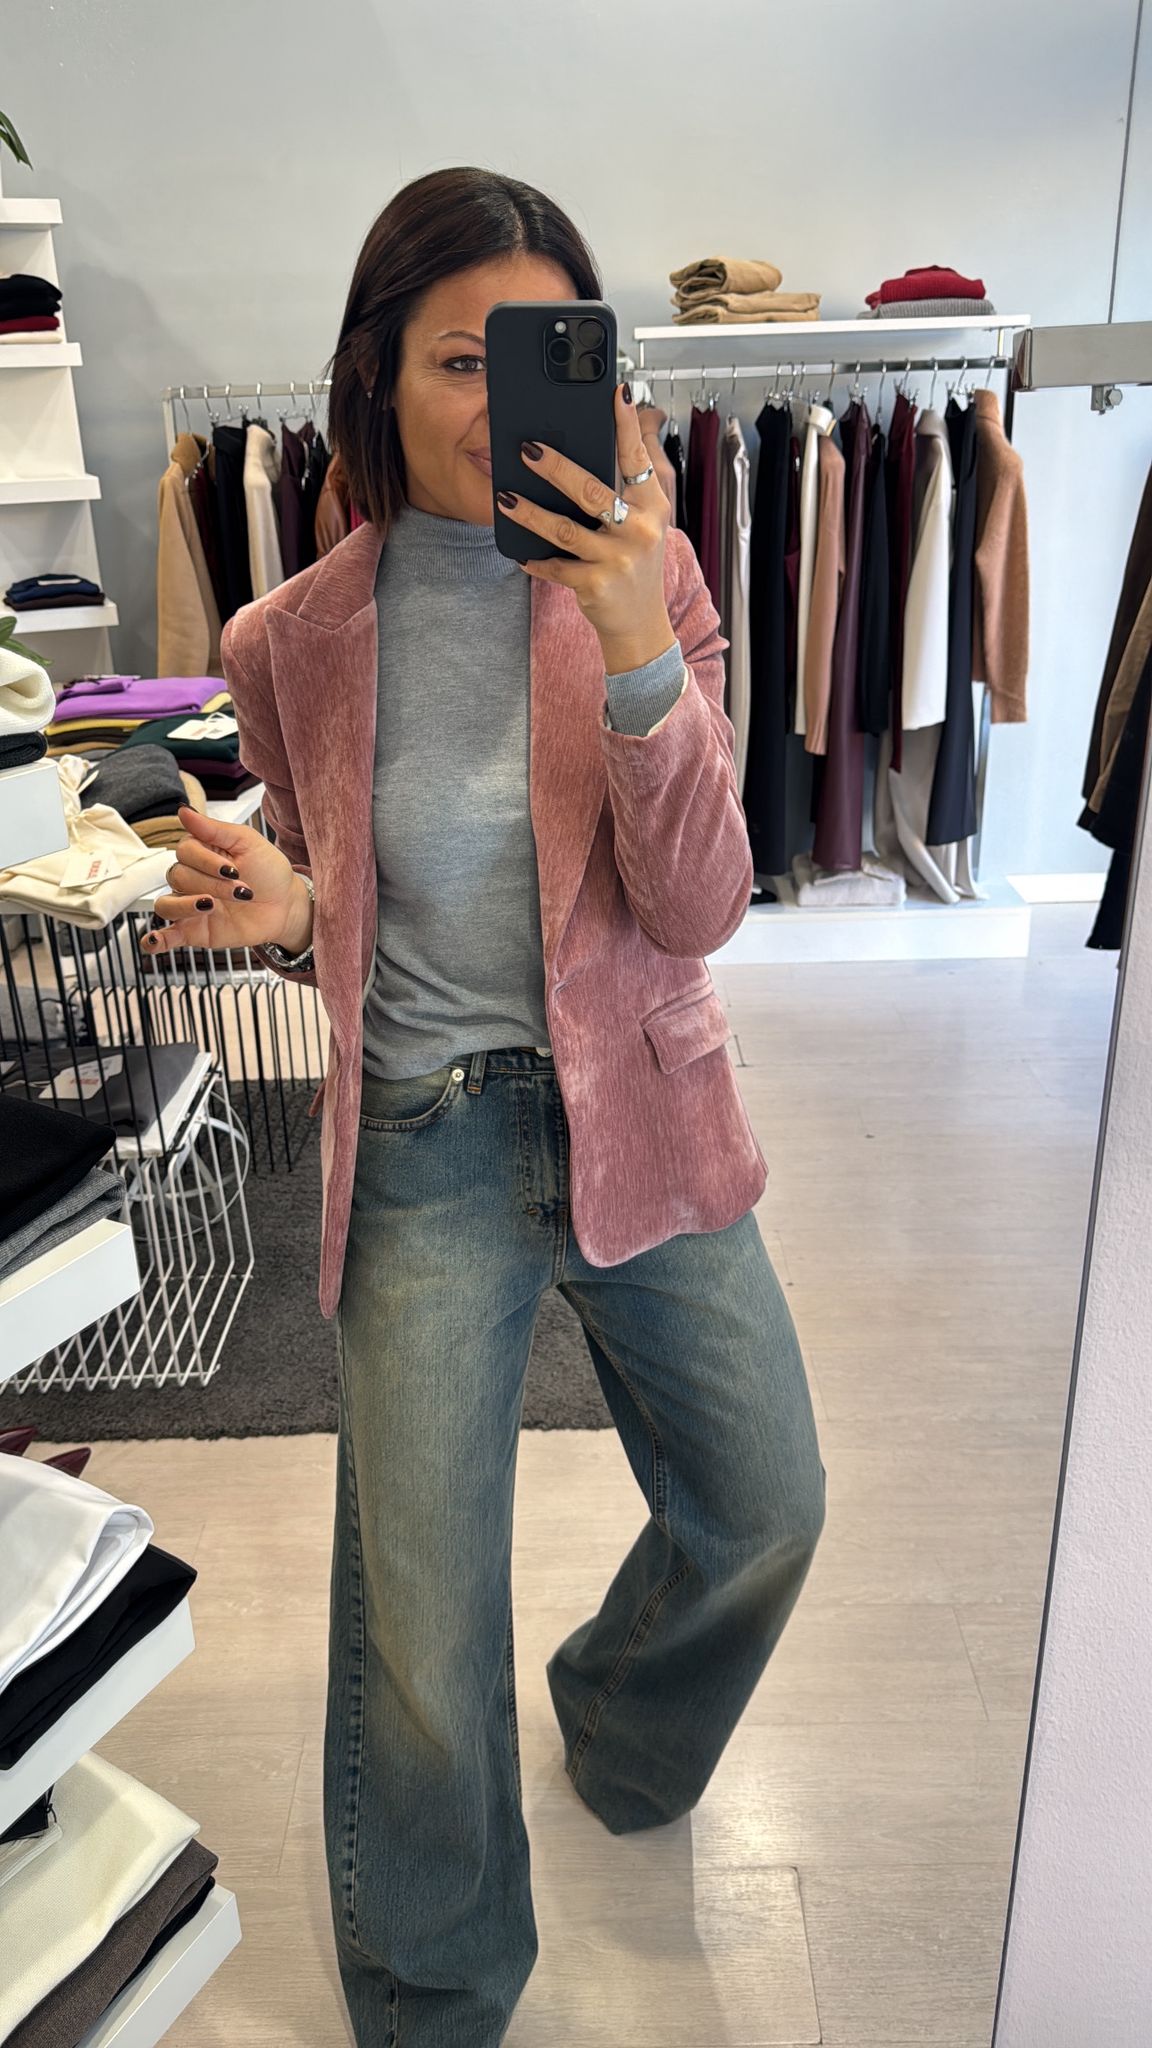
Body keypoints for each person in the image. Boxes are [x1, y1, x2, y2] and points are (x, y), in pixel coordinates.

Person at [138, 165, 826, 2048]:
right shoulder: (288, 639)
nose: (497, 400)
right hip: (425, 1143)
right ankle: (439, 1995)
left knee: (766, 1505)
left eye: (539, 355)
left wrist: (632, 644)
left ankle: (620, 1712)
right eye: (461, 358)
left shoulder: (653, 579)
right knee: (423, 1637)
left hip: (647, 1107)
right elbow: (340, 898)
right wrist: (292, 913)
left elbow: (699, 908)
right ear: (377, 371)